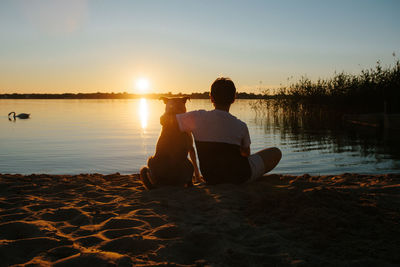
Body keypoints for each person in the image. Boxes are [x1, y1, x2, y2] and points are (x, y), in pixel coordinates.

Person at [163, 77, 282, 184]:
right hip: (240, 177)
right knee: (276, 152)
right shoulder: (241, 126)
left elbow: (165, 120)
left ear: (211, 98)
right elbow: (246, 154)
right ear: (233, 99)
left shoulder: (196, 118)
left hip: (211, 177)